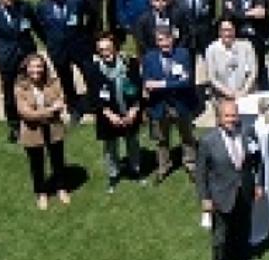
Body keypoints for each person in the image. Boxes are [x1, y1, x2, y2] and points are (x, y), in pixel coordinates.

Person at [195, 99, 263, 260]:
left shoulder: (247, 132)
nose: (231, 119)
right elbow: (200, 173)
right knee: (221, 232)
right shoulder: (208, 141)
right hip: (221, 193)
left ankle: (242, 255)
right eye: (227, 116)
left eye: (234, 115)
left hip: (245, 190)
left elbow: (257, 160)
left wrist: (258, 184)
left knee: (243, 225)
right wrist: (205, 198)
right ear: (218, 118)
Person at [142, 26, 200, 182]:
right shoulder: (149, 57)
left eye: (166, 39)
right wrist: (150, 87)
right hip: (160, 105)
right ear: (156, 41)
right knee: (161, 139)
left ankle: (191, 164)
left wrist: (161, 84)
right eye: (160, 40)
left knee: (187, 136)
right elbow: (147, 81)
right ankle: (163, 166)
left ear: (172, 39)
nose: (164, 43)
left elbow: (185, 82)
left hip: (181, 103)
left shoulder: (183, 54)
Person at [15, 53, 70, 209]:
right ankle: (41, 193)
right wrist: (50, 110)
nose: (36, 70)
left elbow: (61, 99)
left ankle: (61, 188)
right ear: (26, 68)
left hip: (54, 127)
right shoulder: (20, 87)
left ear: (44, 67)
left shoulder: (53, 82)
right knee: (36, 164)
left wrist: (50, 109)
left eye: (39, 66)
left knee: (58, 160)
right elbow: (26, 113)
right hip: (31, 131)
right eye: (32, 67)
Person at [92, 32, 144, 192]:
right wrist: (109, 114)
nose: (105, 53)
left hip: (130, 112)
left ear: (115, 48)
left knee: (133, 143)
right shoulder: (94, 69)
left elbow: (138, 87)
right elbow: (94, 95)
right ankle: (114, 174)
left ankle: (135, 169)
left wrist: (134, 110)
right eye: (101, 50)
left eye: (108, 49)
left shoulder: (131, 63)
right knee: (110, 146)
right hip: (108, 116)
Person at [0, 0, 35, 142]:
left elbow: (37, 27)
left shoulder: (25, 7)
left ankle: (33, 119)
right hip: (7, 59)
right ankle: (14, 125)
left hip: (27, 57)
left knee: (31, 88)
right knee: (10, 94)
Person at [204, 18, 259, 104]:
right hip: (222, 95)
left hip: (245, 92)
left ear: (234, 30)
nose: (227, 33)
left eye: (230, 30)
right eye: (224, 30)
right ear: (219, 32)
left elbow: (253, 72)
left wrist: (244, 91)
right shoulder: (211, 50)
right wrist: (229, 93)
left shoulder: (246, 45)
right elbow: (212, 77)